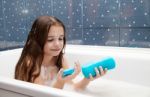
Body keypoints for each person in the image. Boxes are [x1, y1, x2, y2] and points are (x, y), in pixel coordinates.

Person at [15, 16, 107, 90]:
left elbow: (72, 89)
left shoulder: (60, 60)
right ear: (38, 40)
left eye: (60, 38)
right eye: (50, 39)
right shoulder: (30, 63)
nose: (57, 44)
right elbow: (42, 95)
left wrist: (87, 79)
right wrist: (60, 82)